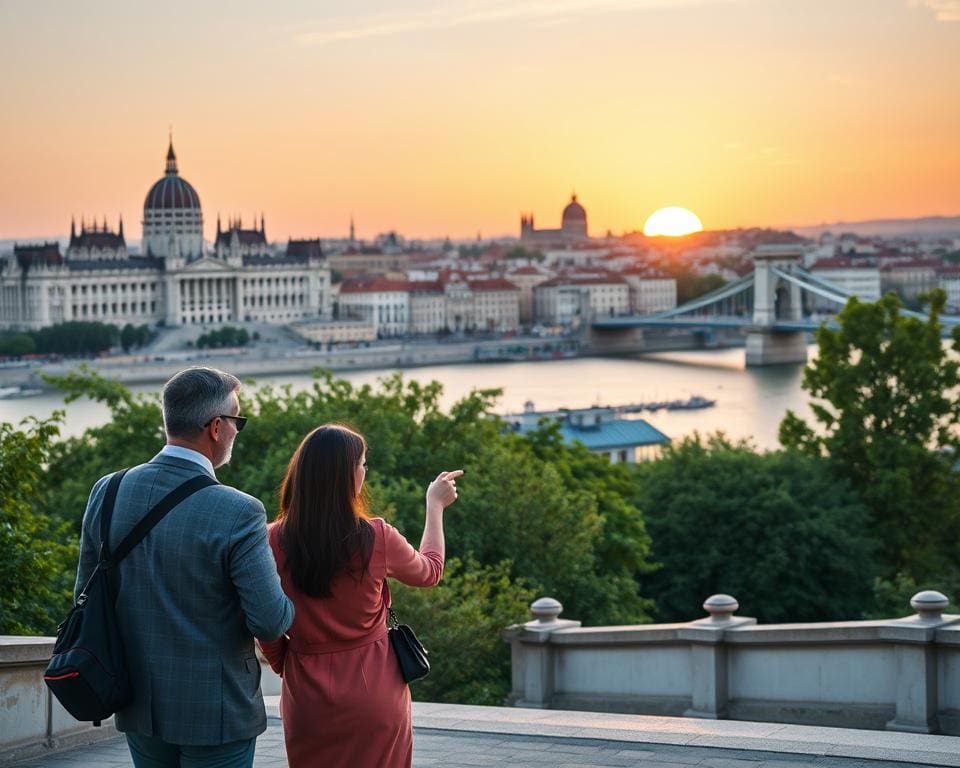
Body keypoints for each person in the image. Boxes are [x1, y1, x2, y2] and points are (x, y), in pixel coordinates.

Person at [73, 366, 294, 768]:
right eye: (236, 421)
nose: (236, 432)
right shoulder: (239, 510)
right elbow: (269, 620)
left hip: (137, 702)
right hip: (216, 712)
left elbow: (84, 597)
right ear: (215, 427)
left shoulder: (108, 490)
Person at [258, 424, 461, 768]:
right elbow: (430, 571)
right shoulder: (375, 536)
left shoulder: (271, 541)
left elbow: (264, 618)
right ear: (347, 475)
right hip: (375, 691)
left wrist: (285, 663)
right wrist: (434, 506)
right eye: (363, 464)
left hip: (307, 694)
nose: (365, 472)